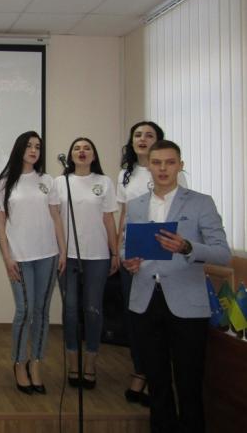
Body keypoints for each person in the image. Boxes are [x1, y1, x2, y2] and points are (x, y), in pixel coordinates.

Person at [123, 140, 230, 433]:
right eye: (157, 163)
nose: (163, 169)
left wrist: (187, 247)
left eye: (170, 162)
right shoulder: (136, 205)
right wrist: (128, 261)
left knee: (189, 383)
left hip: (187, 303)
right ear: (149, 166)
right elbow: (126, 246)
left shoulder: (201, 202)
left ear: (180, 166)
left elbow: (222, 253)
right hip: (145, 300)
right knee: (157, 383)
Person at [0, 132, 66, 395]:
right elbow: (0, 225)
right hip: (20, 257)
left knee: (42, 311)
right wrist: (7, 257)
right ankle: (19, 363)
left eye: (38, 147)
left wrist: (63, 251)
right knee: (25, 310)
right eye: (29, 146)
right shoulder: (4, 183)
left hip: (48, 254)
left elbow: (56, 217)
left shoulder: (48, 180)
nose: (34, 150)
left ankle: (36, 363)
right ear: (19, 148)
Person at [116, 121, 184, 405]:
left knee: (161, 317)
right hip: (134, 255)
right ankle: (140, 371)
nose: (142, 139)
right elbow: (124, 215)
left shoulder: (170, 172)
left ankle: (158, 377)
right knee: (135, 317)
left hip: (164, 253)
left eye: (149, 135)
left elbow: (181, 213)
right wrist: (119, 249)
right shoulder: (125, 174)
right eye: (137, 135)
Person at [54, 137, 119, 389]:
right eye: (77, 148)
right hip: (67, 255)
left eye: (87, 148)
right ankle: (73, 363)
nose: (82, 152)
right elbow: (54, 219)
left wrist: (115, 252)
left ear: (94, 155)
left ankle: (90, 363)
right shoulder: (60, 182)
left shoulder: (104, 182)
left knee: (93, 309)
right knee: (70, 309)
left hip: (98, 255)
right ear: (70, 155)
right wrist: (59, 250)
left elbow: (109, 220)